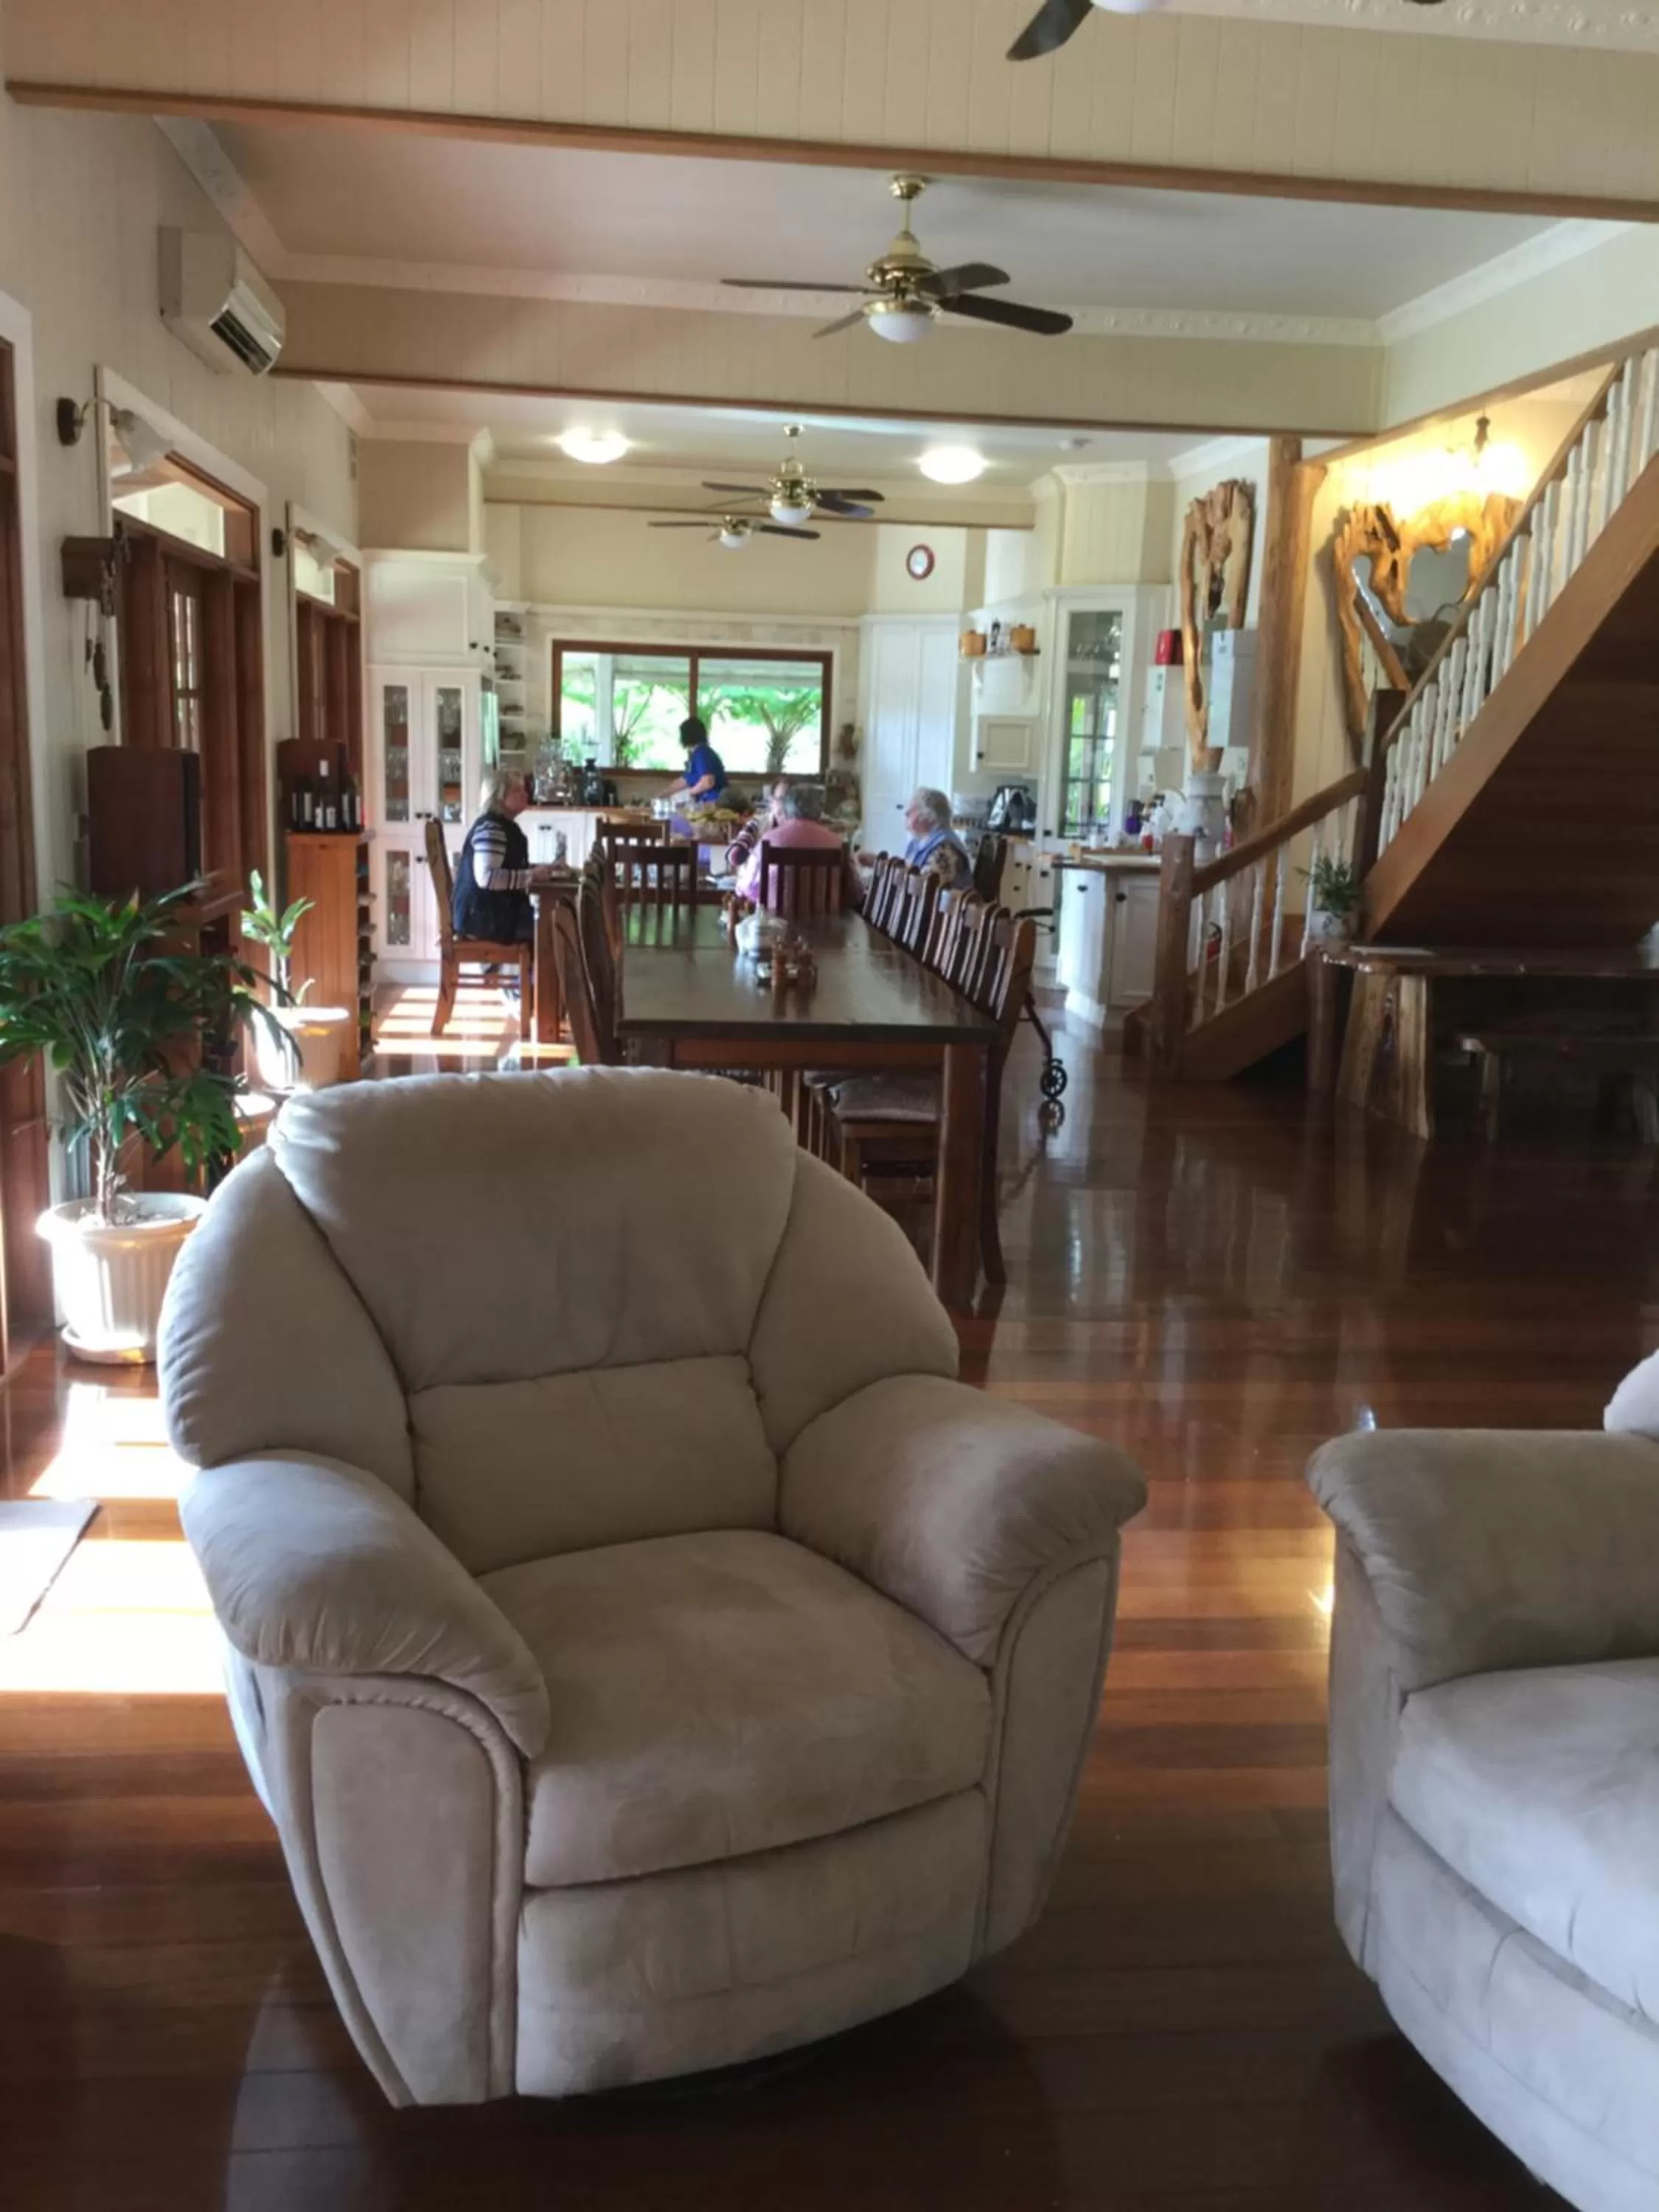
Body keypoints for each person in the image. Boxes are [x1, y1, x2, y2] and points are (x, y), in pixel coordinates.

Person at [452, 768, 553, 948]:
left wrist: (543, 869)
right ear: (499, 797)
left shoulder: (504, 826)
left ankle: (536, 975)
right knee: (552, 929)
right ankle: (540, 976)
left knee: (552, 923)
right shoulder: (492, 829)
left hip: (490, 913)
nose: (525, 794)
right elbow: (487, 877)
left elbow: (508, 865)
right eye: (517, 790)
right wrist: (532, 876)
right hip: (483, 918)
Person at [737, 783, 858, 911]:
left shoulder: (769, 840)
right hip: (826, 926)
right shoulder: (837, 843)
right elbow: (856, 892)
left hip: (776, 925)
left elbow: (748, 887)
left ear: (786, 810)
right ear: (819, 811)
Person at [900, 787, 974, 891]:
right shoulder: (916, 842)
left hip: (939, 906)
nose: (906, 814)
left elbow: (929, 888)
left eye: (911, 811)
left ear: (929, 815)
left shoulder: (944, 847)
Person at [725, 779, 787, 879]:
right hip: (758, 886)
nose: (786, 805)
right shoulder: (757, 823)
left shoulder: (805, 831)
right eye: (781, 799)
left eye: (790, 800)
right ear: (771, 802)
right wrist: (742, 849)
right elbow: (734, 855)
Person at [667, 717, 728, 815]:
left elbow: (708, 781)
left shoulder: (702, 753)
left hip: (714, 804)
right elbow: (683, 781)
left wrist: (689, 793)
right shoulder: (696, 755)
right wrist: (661, 796)